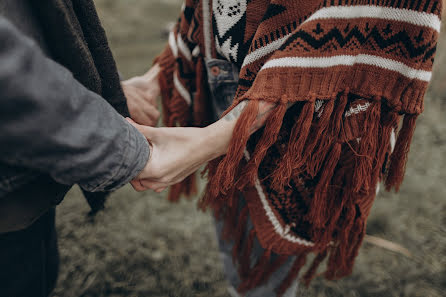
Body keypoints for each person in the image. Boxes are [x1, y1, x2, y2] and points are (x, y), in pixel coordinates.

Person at [129, 1, 442, 296]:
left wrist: (220, 136)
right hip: (222, 73)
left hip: (301, 106)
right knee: (233, 228)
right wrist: (157, 76)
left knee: (267, 254)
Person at [0, 0, 159, 295]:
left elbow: (31, 21)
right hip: (7, 198)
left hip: (26, 191)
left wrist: (104, 91)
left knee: (39, 269)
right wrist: (127, 149)